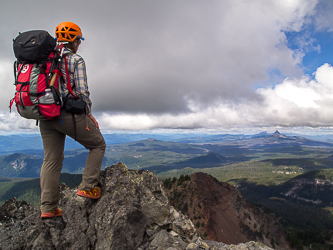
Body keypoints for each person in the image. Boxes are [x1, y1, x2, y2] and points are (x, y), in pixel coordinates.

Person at [40, 22, 106, 218]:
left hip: (44, 114)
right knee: (98, 145)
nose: (79, 44)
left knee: (51, 159)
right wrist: (88, 113)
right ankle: (88, 187)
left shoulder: (44, 59)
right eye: (79, 40)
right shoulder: (76, 60)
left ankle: (48, 208)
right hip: (66, 114)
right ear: (75, 41)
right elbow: (82, 92)